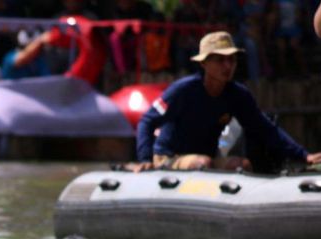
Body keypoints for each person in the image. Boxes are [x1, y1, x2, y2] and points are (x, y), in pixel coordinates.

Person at [134, 31, 321, 173]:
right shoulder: (182, 90)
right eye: (220, 60)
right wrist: (144, 159)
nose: (228, 66)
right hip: (169, 157)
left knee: (242, 164)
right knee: (202, 163)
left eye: (231, 60)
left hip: (207, 158)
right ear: (203, 63)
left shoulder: (237, 95)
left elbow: (264, 128)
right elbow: (147, 121)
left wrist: (303, 155)